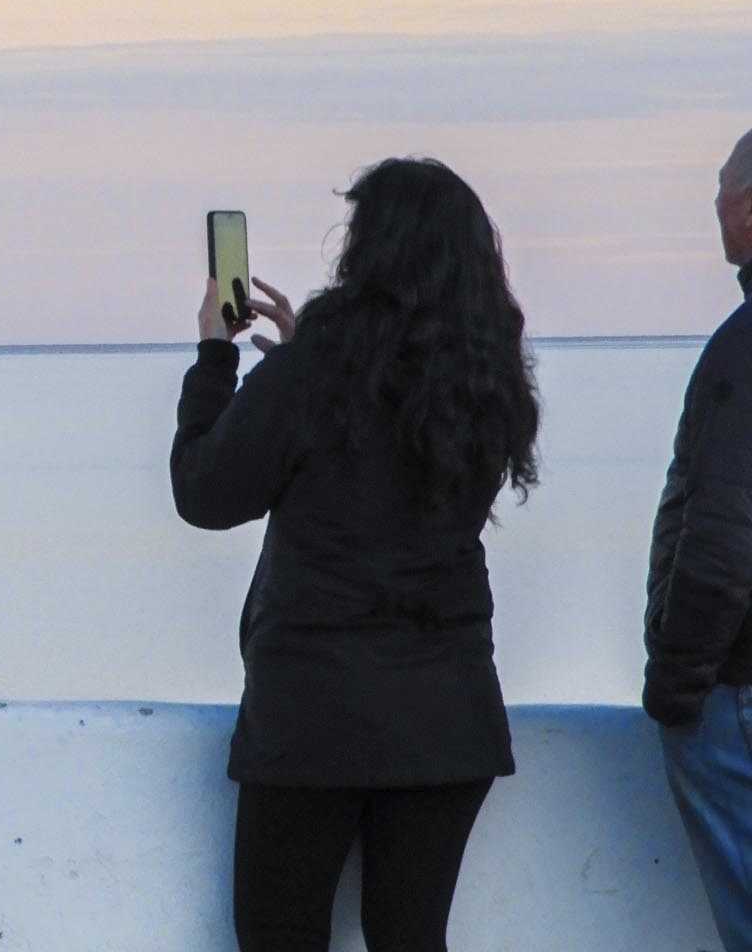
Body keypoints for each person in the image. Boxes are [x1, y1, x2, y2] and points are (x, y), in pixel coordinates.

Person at [170, 158, 540, 952]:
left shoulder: (318, 373)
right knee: (411, 939)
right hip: (449, 719)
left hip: (315, 717)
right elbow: (386, 446)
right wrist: (310, 365)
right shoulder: (485, 377)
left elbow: (204, 493)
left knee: (280, 935)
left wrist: (215, 360)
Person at [644, 127, 752, 952]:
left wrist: (678, 685)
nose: (715, 206)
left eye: (723, 189)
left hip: (737, 691)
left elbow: (721, 534)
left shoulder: (742, 352)